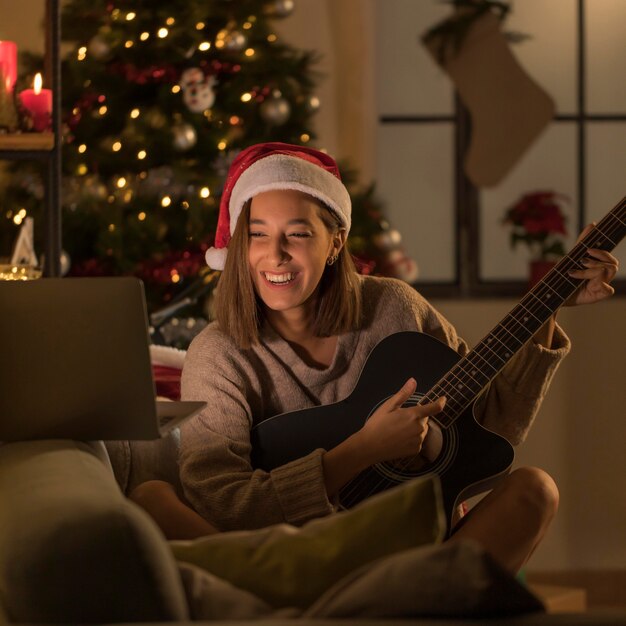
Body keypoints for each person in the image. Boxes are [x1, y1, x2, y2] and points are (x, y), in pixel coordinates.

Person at [130, 142, 619, 575]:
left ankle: (398, 603)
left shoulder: (394, 307)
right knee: (152, 500)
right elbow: (222, 500)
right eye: (257, 234)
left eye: (297, 234)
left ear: (335, 242)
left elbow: (491, 428)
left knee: (536, 489)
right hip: (290, 556)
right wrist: (362, 450)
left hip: (411, 548)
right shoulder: (219, 353)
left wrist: (550, 306)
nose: (274, 254)